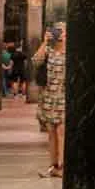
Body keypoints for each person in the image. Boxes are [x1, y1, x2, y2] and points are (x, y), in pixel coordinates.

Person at [32, 24, 66, 177]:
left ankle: (62, 166)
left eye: (63, 30)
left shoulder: (70, 52)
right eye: (57, 30)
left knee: (61, 131)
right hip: (48, 96)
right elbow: (36, 61)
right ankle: (53, 165)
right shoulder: (48, 50)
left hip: (64, 96)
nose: (60, 33)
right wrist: (44, 41)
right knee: (51, 132)